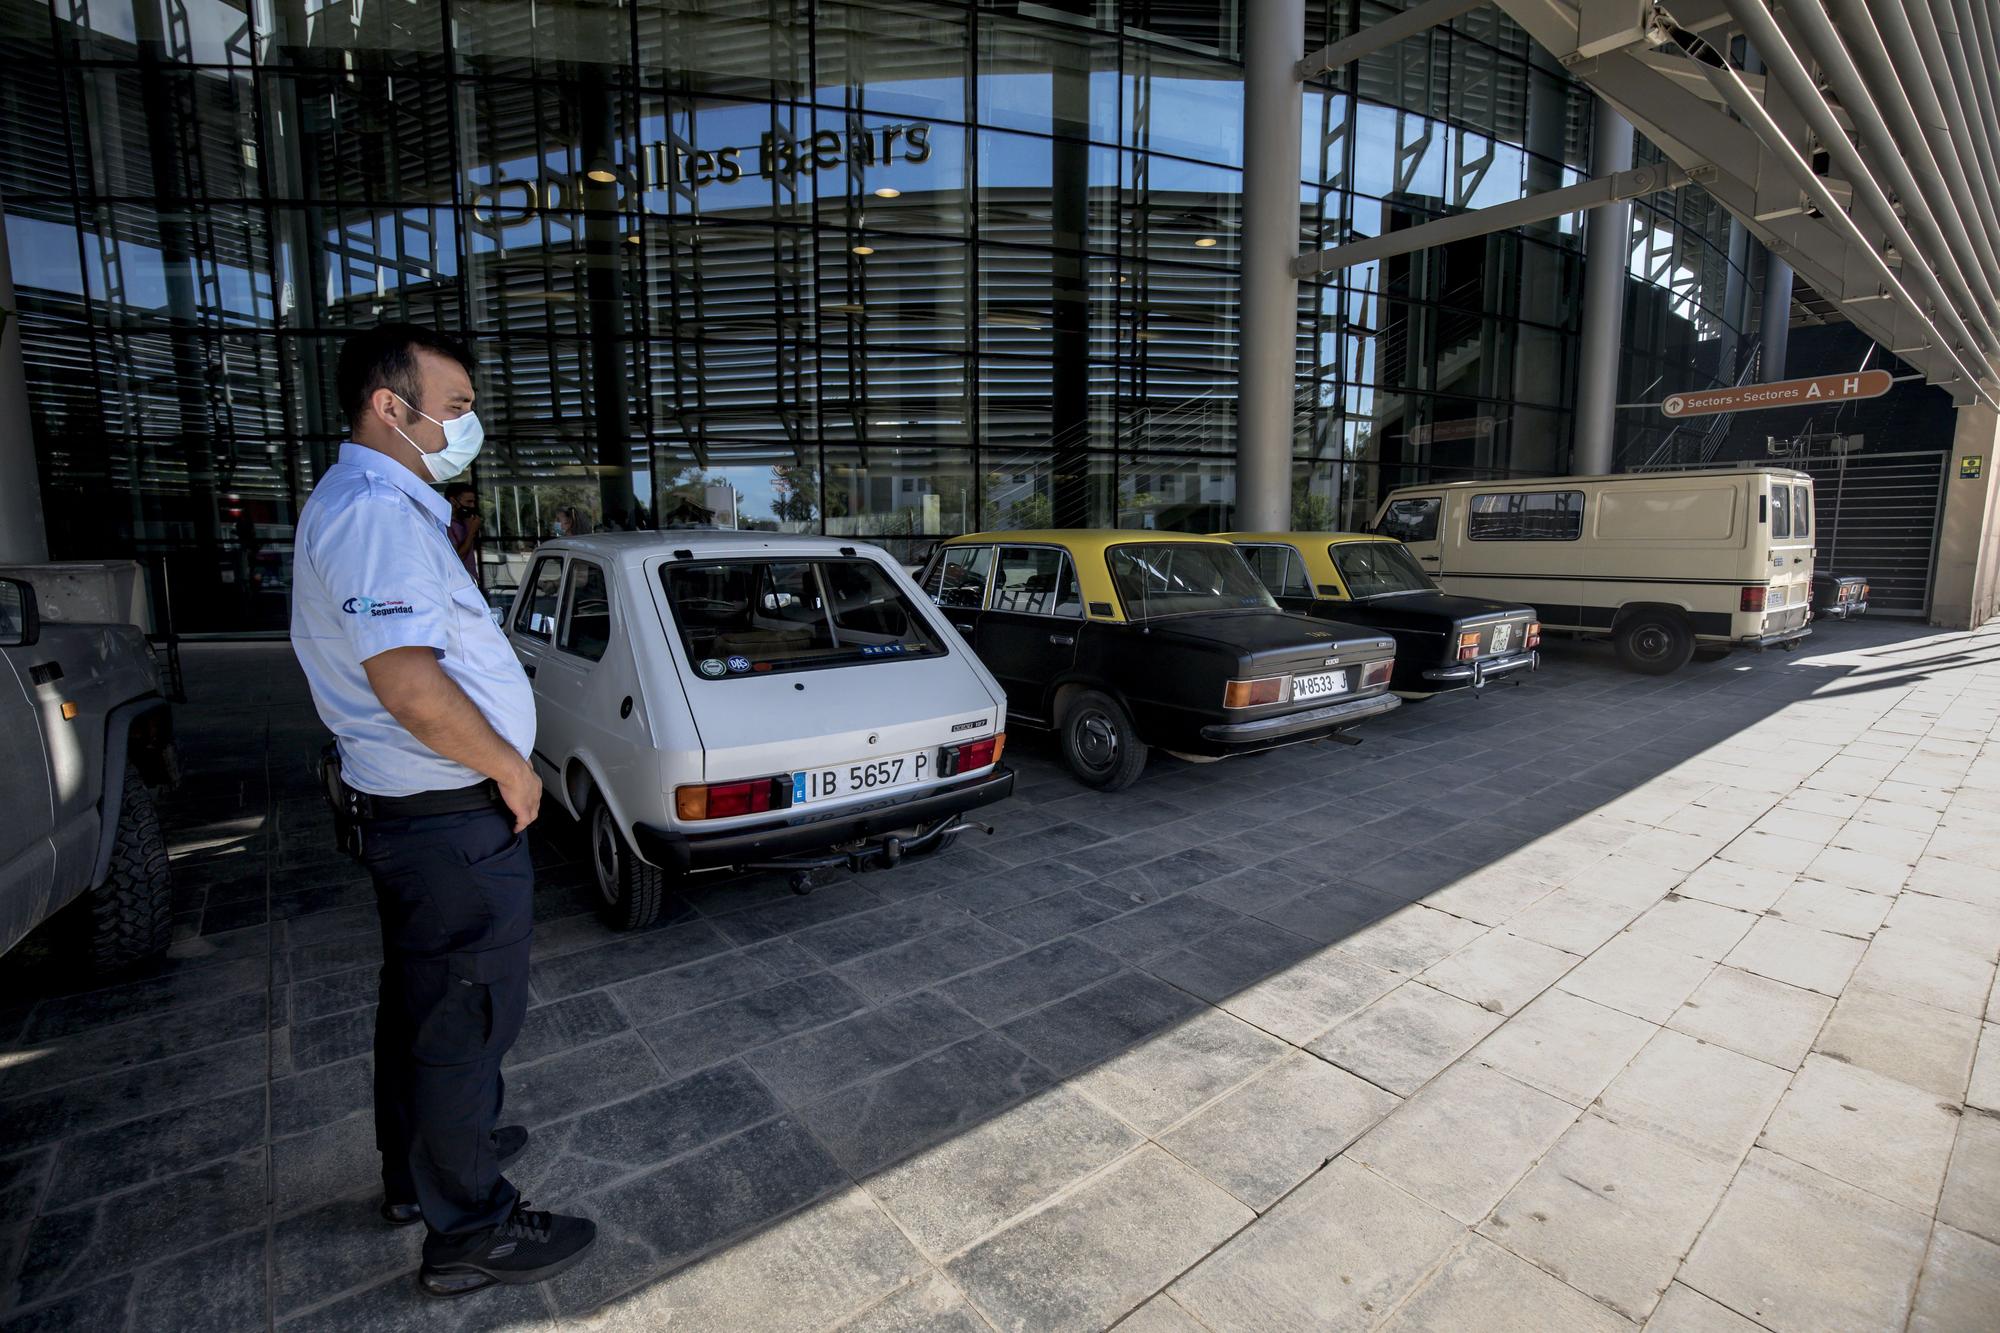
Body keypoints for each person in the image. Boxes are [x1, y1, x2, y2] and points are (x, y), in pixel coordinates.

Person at [288, 323, 596, 1299]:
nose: (468, 426)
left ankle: (415, 1171)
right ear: (392, 406)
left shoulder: (375, 505)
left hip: (418, 815)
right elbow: (410, 685)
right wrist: (509, 768)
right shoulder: (376, 512)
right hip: (447, 814)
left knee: (423, 1005)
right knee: (466, 1016)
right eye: (455, 407)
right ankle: (471, 1225)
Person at [444, 482, 483, 587]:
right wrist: (471, 532)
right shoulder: (446, 526)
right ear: (453, 501)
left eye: (474, 502)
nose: (472, 506)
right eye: (468, 502)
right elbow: (458, 557)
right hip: (459, 584)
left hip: (472, 581)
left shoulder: (465, 522)